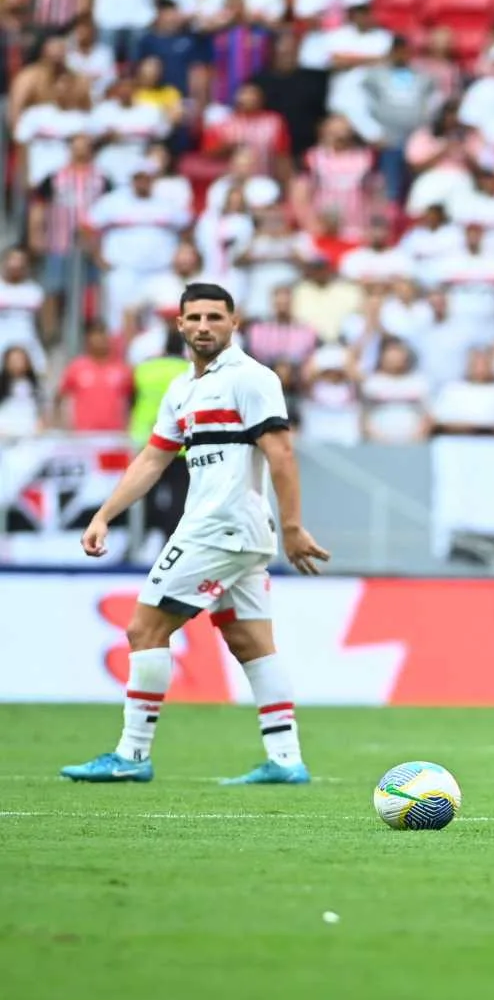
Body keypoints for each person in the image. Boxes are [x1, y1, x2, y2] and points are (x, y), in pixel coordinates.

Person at [61, 282, 332, 785]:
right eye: (195, 318)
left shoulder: (252, 378)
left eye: (215, 317)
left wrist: (293, 526)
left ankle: (132, 755)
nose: (204, 326)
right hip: (238, 533)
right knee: (251, 642)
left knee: (145, 630)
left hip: (220, 527)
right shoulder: (183, 388)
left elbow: (281, 455)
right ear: (180, 325)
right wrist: (104, 514)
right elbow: (153, 458)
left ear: (234, 323)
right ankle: (286, 760)